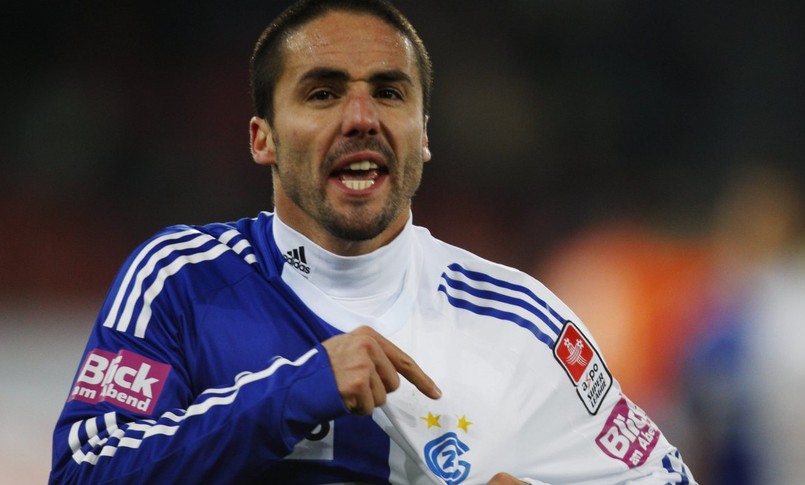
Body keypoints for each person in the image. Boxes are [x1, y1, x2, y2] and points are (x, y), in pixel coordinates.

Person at [50, 1, 696, 483]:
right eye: (323, 93)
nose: (361, 118)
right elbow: (84, 472)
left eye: (388, 93)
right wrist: (297, 390)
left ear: (423, 134)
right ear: (262, 137)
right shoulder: (182, 281)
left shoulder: (519, 325)